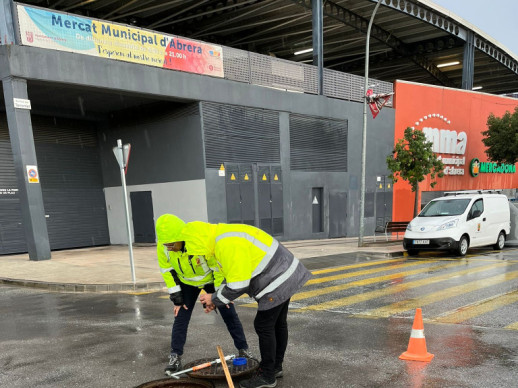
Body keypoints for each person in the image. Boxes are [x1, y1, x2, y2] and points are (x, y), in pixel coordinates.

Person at [178, 220, 312, 388]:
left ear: (197, 240)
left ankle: (268, 376)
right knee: (277, 324)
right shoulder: (220, 237)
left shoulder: (225, 243)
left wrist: (214, 298)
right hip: (286, 272)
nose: (192, 252)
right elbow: (231, 274)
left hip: (278, 279)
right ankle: (274, 367)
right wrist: (217, 299)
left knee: (264, 325)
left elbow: (238, 284)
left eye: (190, 245)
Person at [155, 214, 252, 376]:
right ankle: (175, 357)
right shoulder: (164, 247)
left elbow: (217, 268)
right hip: (187, 283)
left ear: (182, 237)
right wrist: (176, 297)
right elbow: (166, 271)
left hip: (210, 279)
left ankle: (244, 349)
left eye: (172, 244)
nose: (169, 247)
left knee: (228, 310)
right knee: (180, 315)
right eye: (166, 245)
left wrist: (219, 294)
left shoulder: (196, 241)